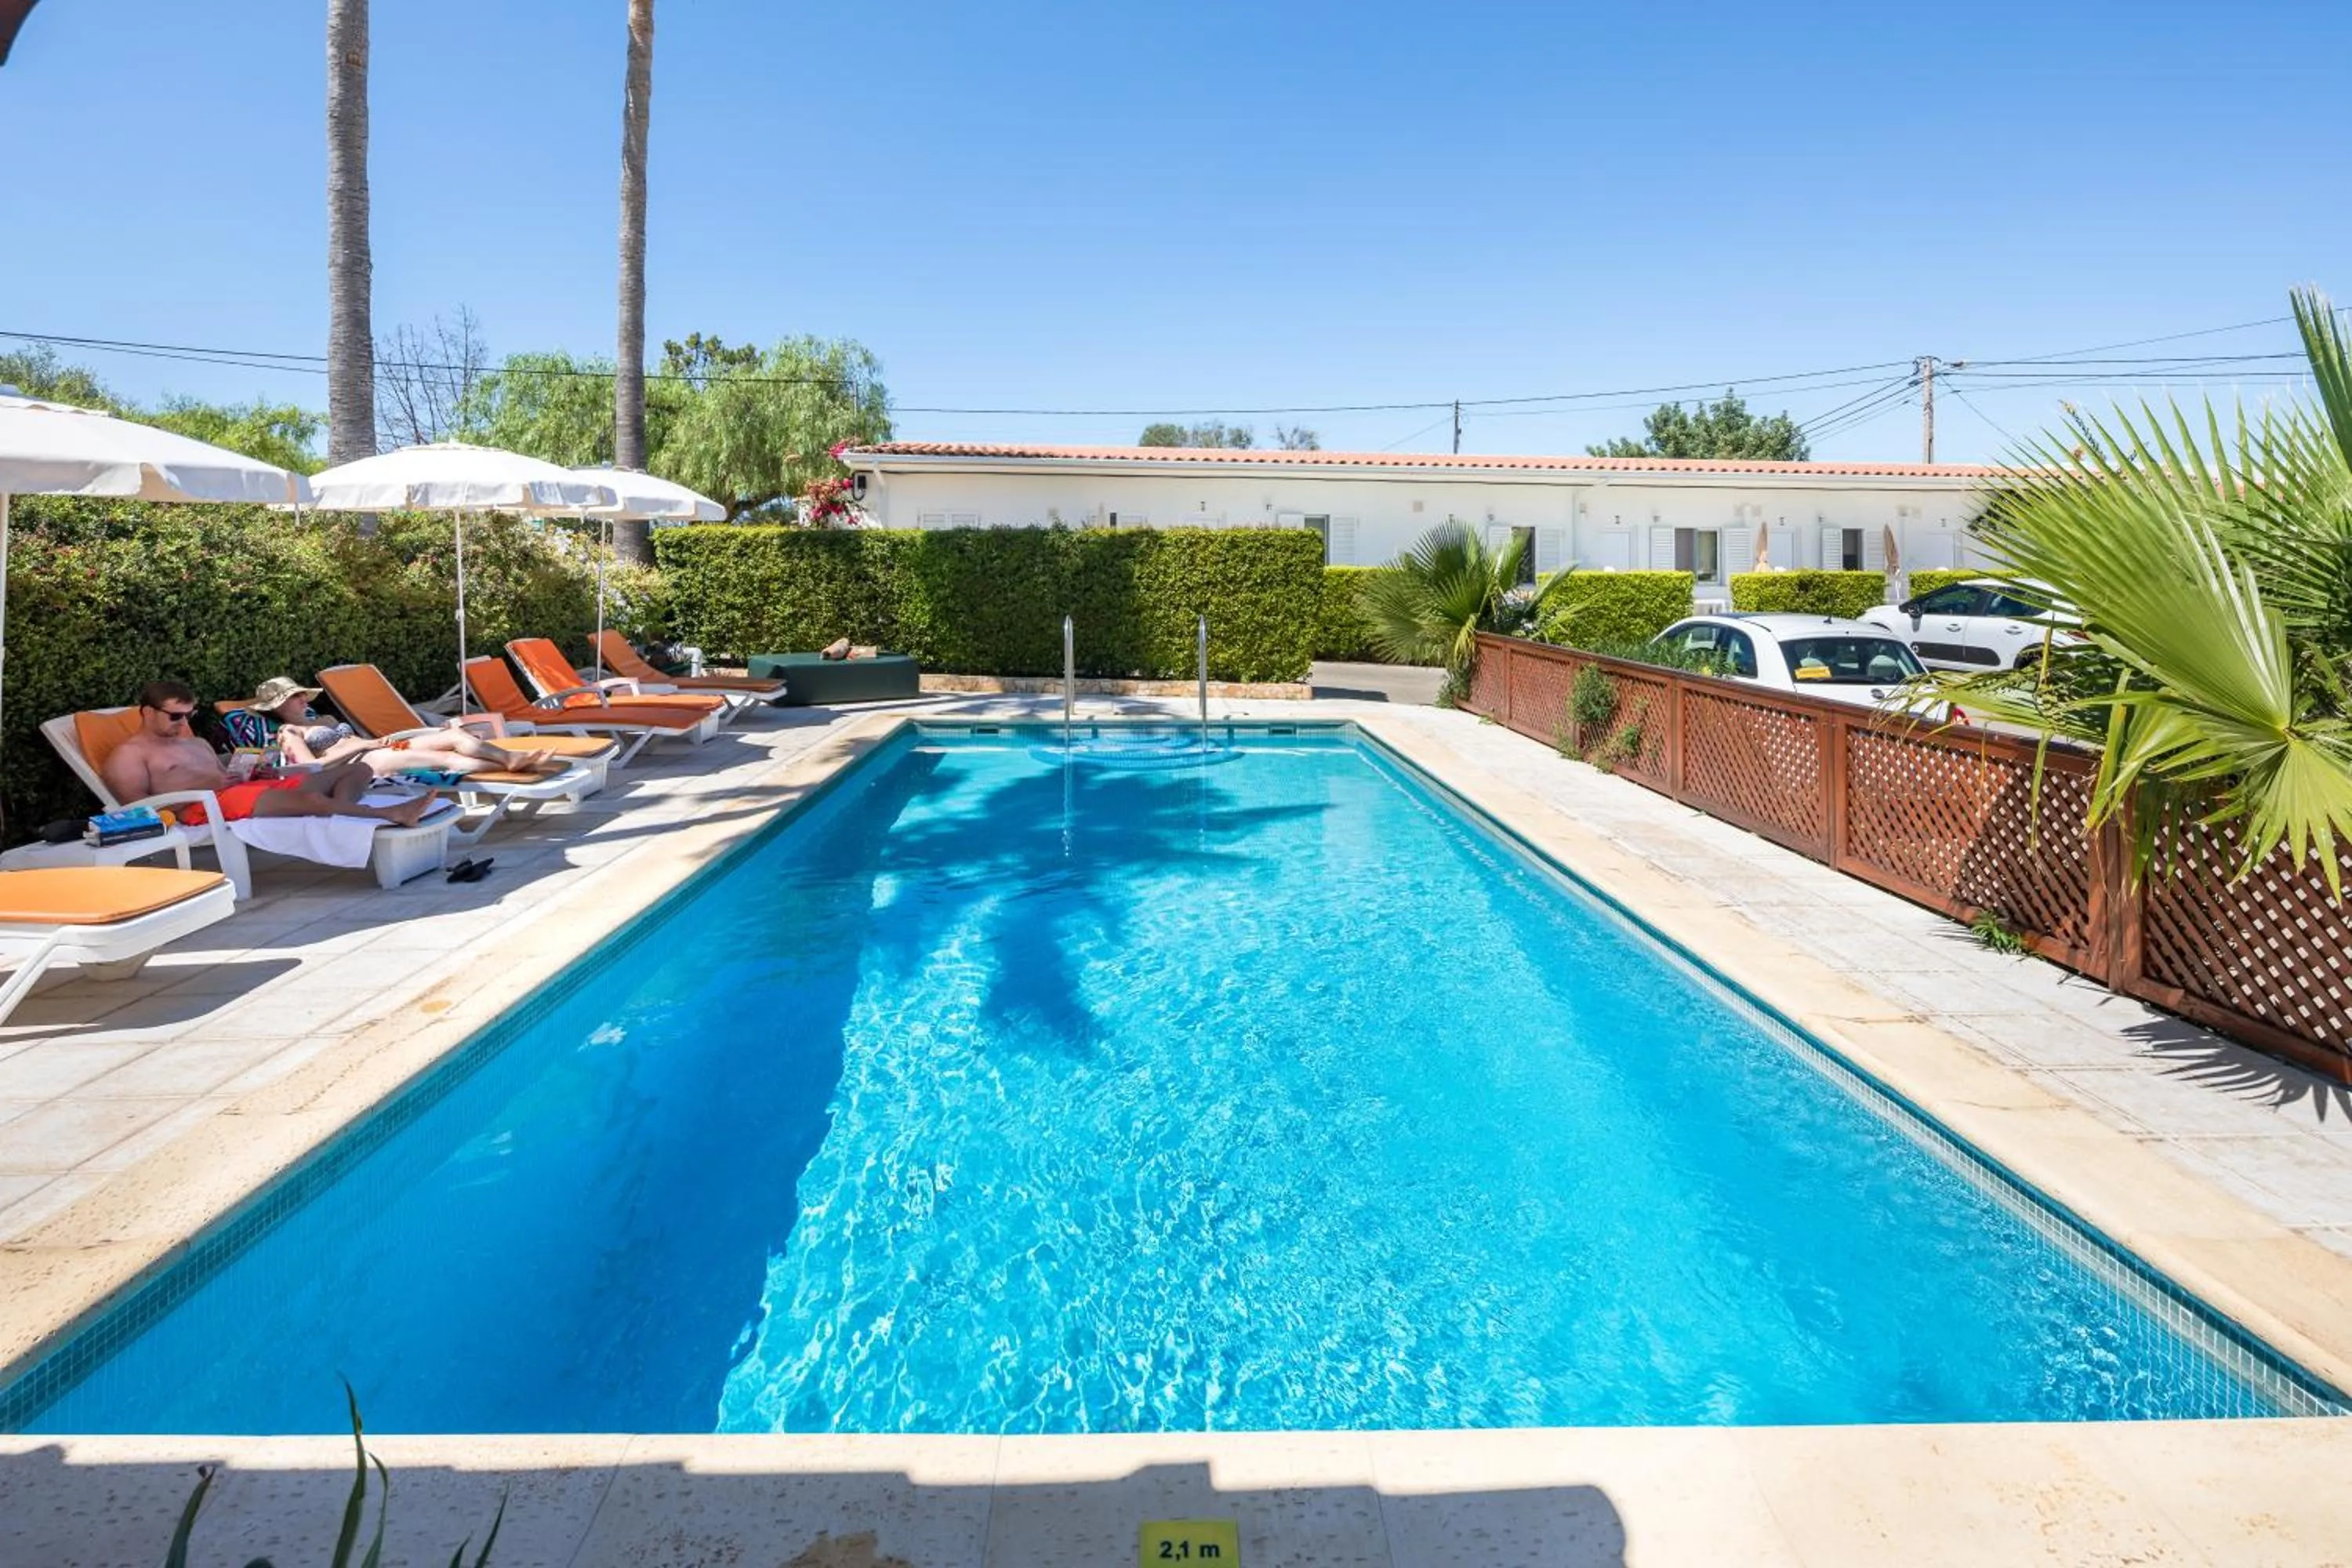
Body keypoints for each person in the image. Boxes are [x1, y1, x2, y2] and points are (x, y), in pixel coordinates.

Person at [100, 680, 434, 828]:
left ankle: (345, 816)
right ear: (146, 712)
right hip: (204, 807)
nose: (184, 722)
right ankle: (391, 815)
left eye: (189, 715)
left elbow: (224, 769)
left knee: (359, 770)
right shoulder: (129, 756)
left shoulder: (194, 742)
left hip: (241, 790)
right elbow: (138, 811)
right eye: (176, 716)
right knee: (315, 802)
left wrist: (254, 771)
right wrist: (208, 785)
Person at [230, 677, 562, 780]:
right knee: (443, 760)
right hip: (358, 766)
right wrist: (362, 747)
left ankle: (510, 760)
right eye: (295, 697)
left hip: (377, 749)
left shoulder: (323, 720)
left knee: (453, 736)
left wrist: (372, 741)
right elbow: (309, 768)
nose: (303, 700)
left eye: (303, 695)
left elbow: (357, 739)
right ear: (276, 707)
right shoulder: (289, 733)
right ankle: (514, 765)